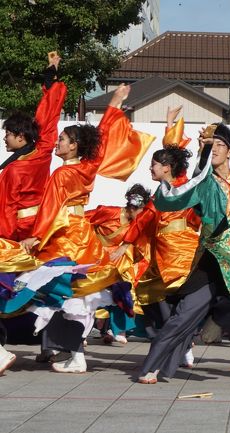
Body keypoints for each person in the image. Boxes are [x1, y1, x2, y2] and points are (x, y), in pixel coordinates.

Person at [137, 122, 230, 384]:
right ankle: (153, 367)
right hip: (212, 260)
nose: (215, 149)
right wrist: (168, 179)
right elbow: (173, 198)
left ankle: (215, 321)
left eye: (220, 144)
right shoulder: (204, 183)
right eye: (210, 145)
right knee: (182, 316)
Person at [19, 84, 155, 373]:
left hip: (64, 235)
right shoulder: (87, 167)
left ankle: (68, 352)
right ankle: (65, 351)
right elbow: (103, 138)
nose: (57, 143)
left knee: (49, 290)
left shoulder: (62, 173)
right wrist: (115, 103)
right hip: (83, 236)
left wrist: (35, 235)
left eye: (63, 139)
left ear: (74, 146)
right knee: (74, 295)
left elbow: (50, 209)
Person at [111, 107, 200, 352]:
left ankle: (183, 340)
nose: (150, 169)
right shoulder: (160, 193)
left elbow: (176, 154)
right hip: (162, 250)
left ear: (167, 168)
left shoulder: (182, 184)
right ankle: (174, 340)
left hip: (181, 248)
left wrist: (128, 243)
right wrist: (169, 122)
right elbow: (144, 220)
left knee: (179, 294)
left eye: (154, 165)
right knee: (149, 289)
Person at [0, 52, 67, 375]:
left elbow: (6, 209)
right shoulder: (40, 154)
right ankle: (48, 344)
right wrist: (51, 77)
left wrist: (11, 237)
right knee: (39, 286)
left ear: (21, 137)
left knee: (13, 287)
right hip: (39, 228)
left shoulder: (13, 171)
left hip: (16, 233)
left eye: (8, 134)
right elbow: (49, 118)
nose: (4, 137)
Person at [87, 183, 151, 345]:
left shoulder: (137, 225)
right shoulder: (108, 212)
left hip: (120, 262)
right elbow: (83, 221)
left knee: (125, 288)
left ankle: (118, 329)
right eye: (139, 211)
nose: (141, 215)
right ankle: (82, 333)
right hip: (98, 257)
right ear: (131, 207)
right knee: (90, 294)